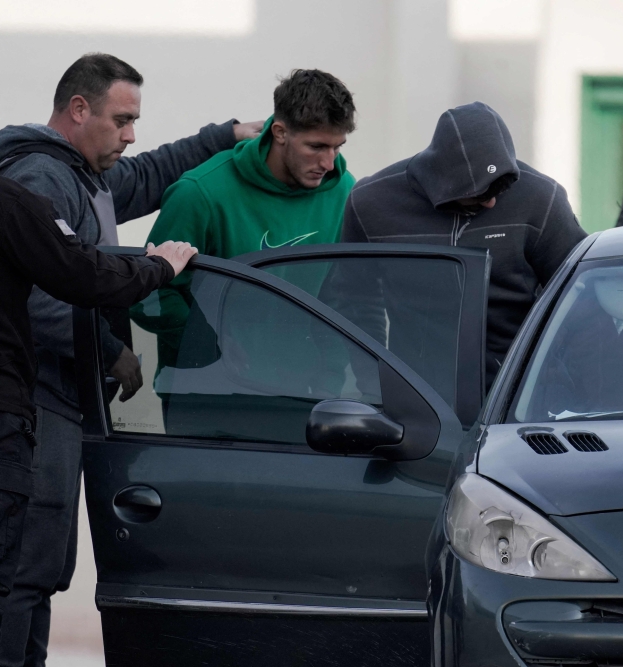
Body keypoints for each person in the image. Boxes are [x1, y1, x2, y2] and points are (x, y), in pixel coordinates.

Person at [0, 52, 260, 667]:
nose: (131, 134)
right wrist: (114, 352)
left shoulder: (80, 175)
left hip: (58, 403)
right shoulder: (42, 178)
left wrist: (221, 138)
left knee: (39, 573)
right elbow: (44, 298)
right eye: (121, 120)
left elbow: (145, 175)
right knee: (25, 572)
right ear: (78, 109)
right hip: (38, 401)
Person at [0, 177, 195, 646]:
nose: (130, 136)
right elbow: (84, 276)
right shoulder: (13, 200)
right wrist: (159, 268)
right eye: (124, 121)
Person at [340, 101, 588, 386]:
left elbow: (581, 300)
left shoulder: (541, 199)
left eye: (502, 187)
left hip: (516, 398)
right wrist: (375, 381)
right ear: (446, 180)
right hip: (417, 397)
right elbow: (354, 300)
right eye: (482, 193)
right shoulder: (372, 203)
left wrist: (565, 389)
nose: (493, 201)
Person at [145, 68, 357, 258]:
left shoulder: (345, 191)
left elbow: (353, 291)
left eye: (337, 147)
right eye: (316, 147)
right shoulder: (199, 194)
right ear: (280, 132)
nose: (329, 164)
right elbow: (155, 292)